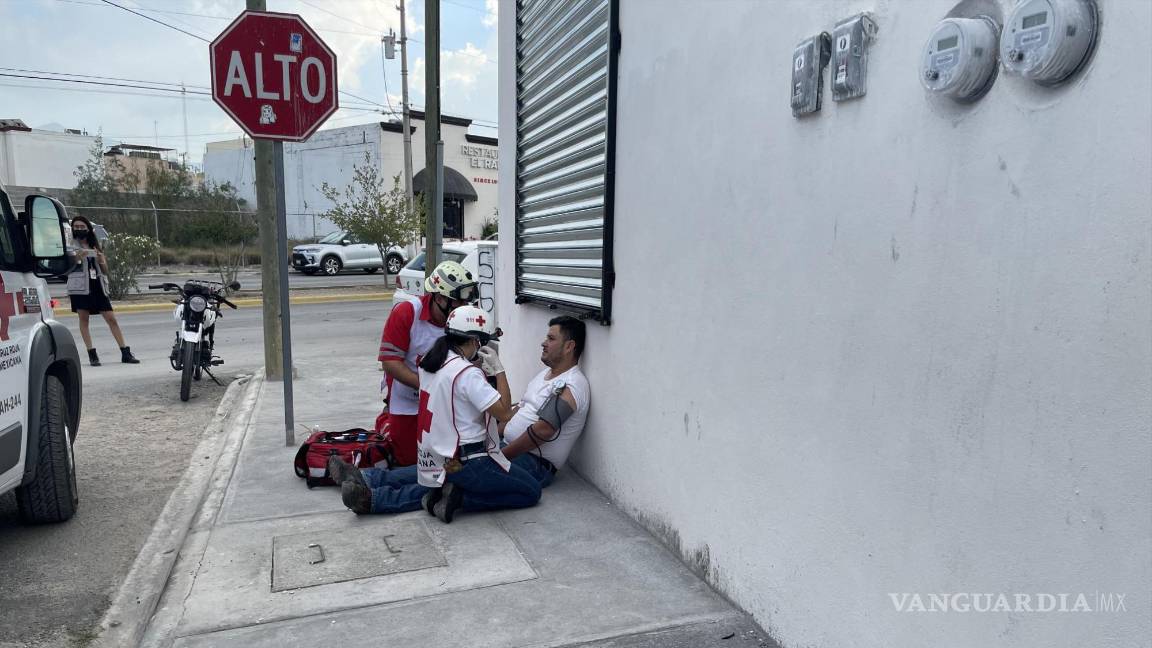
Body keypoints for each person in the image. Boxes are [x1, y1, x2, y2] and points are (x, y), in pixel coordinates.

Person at [331, 316, 590, 515]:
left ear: (569, 346)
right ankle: (367, 478)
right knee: (440, 471)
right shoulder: (544, 377)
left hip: (532, 462)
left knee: (449, 477)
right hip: (497, 449)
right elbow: (514, 415)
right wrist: (494, 442)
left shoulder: (573, 385)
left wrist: (499, 455)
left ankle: (374, 497)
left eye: (551, 338)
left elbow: (543, 431)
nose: (544, 342)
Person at [377, 260, 478, 466]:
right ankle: (384, 424)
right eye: (458, 302)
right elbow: (390, 363)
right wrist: (428, 387)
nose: (463, 308)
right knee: (408, 461)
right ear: (439, 298)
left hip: (445, 400)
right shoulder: (406, 312)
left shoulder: (462, 320)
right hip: (407, 398)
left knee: (448, 459)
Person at [67, 216, 139, 366]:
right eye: (76, 227)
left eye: (82, 227)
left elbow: (105, 271)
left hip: (98, 286)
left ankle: (125, 352)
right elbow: (66, 268)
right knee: (84, 319)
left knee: (111, 318)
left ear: (88, 229)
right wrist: (78, 259)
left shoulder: (95, 245)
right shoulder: (69, 245)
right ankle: (92, 354)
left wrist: (101, 260)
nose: (79, 229)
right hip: (80, 287)